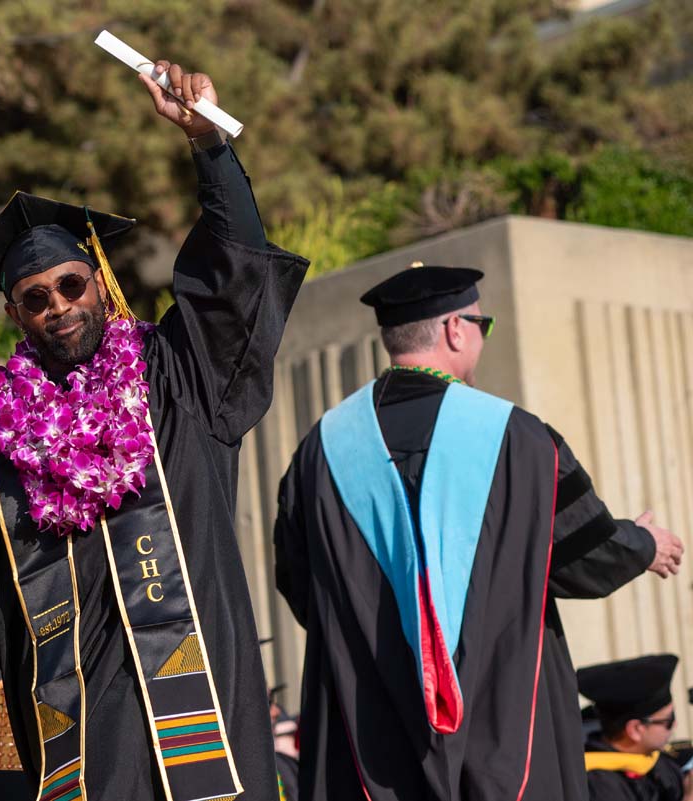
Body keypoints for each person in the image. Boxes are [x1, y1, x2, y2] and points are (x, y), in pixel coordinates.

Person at [0, 60, 307, 801]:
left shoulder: (178, 377)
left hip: (206, 709)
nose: (58, 305)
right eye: (36, 297)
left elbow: (232, 277)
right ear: (15, 316)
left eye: (71, 285)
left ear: (100, 283)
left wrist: (208, 146)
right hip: (81, 731)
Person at [273, 265, 683, 800]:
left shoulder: (320, 452)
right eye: (481, 325)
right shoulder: (518, 439)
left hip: (369, 716)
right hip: (504, 714)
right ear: (454, 329)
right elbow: (581, 558)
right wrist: (643, 543)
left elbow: (299, 583)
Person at [580, 655, 693, 801]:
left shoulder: (657, 762)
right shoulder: (598, 785)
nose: (675, 725)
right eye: (669, 720)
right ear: (636, 730)